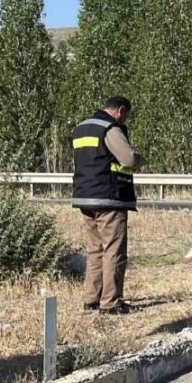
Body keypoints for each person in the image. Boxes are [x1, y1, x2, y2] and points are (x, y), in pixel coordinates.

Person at [71, 96, 144, 315]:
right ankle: (111, 302)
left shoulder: (81, 128)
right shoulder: (110, 129)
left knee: (95, 250)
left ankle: (91, 299)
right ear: (120, 110)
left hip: (85, 196)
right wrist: (141, 159)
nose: (126, 120)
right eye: (127, 115)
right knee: (113, 250)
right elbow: (128, 159)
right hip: (109, 197)